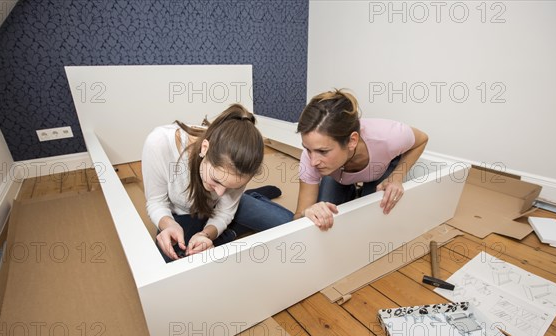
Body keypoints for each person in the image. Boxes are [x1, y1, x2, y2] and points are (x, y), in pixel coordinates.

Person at [142, 104, 293, 262]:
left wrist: (205, 234)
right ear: (205, 148)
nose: (220, 193)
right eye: (216, 180)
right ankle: (235, 225)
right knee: (178, 258)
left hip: (216, 210)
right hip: (182, 214)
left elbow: (223, 212)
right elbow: (156, 202)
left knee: (289, 225)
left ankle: (246, 201)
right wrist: (168, 225)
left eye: (233, 187)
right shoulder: (159, 143)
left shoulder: (240, 164)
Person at [293, 89, 428, 230]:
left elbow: (422, 140)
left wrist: (397, 177)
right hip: (338, 175)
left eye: (323, 151)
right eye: (308, 149)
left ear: (352, 141)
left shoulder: (388, 136)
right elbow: (298, 217)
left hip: (378, 170)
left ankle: (361, 192)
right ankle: (351, 191)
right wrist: (306, 213)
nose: (313, 161)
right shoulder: (310, 159)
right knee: (321, 221)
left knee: (373, 218)